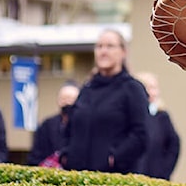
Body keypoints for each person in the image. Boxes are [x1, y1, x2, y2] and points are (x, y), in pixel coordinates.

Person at [61, 29, 149, 173]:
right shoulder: (87, 88)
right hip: (77, 178)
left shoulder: (132, 89)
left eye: (110, 46)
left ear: (123, 52)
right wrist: (66, 155)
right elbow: (69, 127)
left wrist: (114, 158)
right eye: (99, 46)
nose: (103, 51)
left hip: (113, 179)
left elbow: (140, 134)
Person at [135, 71, 180, 180]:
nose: (152, 92)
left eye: (154, 88)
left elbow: (174, 145)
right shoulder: (133, 115)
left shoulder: (162, 116)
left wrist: (164, 172)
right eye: (148, 88)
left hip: (156, 177)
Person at [26, 82, 79, 167]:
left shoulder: (85, 127)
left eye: (71, 99)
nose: (67, 102)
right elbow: (35, 157)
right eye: (63, 98)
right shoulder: (46, 125)